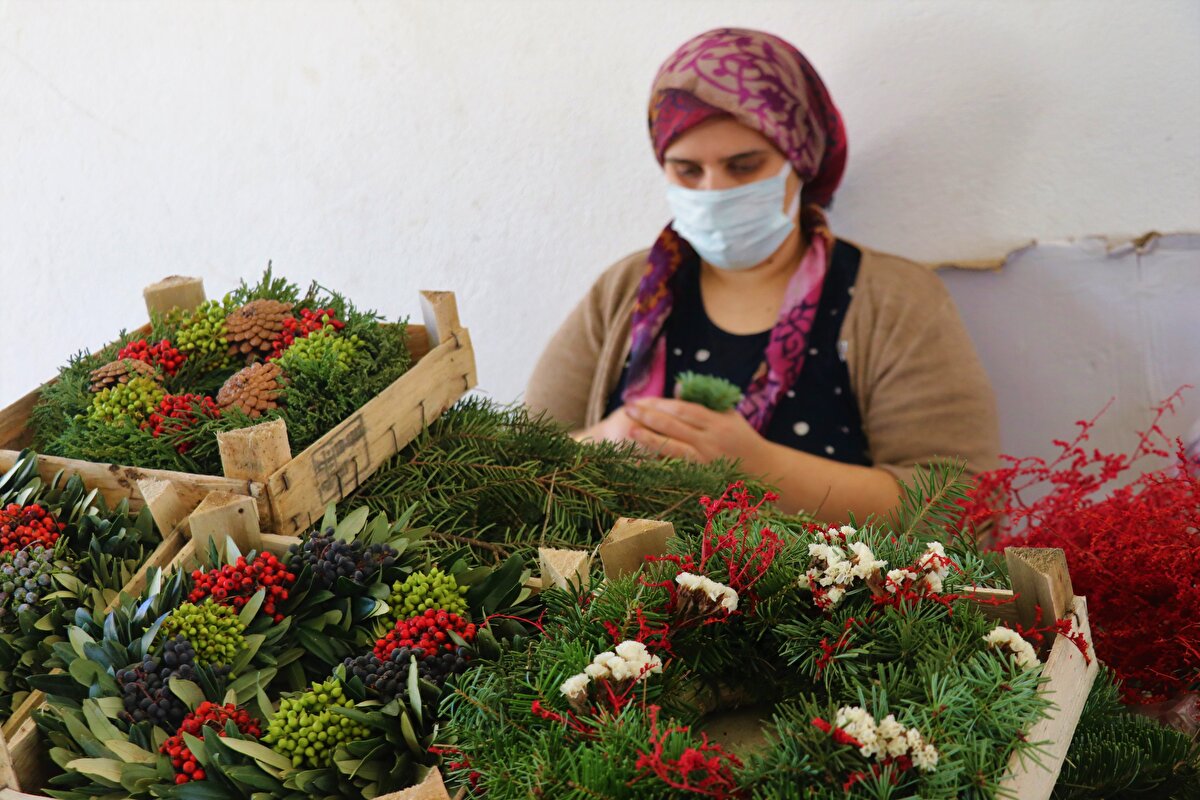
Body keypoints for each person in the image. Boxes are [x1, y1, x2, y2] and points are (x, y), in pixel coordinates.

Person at [525, 28, 999, 524]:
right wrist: (606, 443)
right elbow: (516, 463)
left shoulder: (894, 301)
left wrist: (760, 468)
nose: (714, 191)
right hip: (619, 598)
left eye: (744, 166)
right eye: (687, 171)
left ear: (800, 161)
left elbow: (964, 504)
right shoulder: (625, 292)